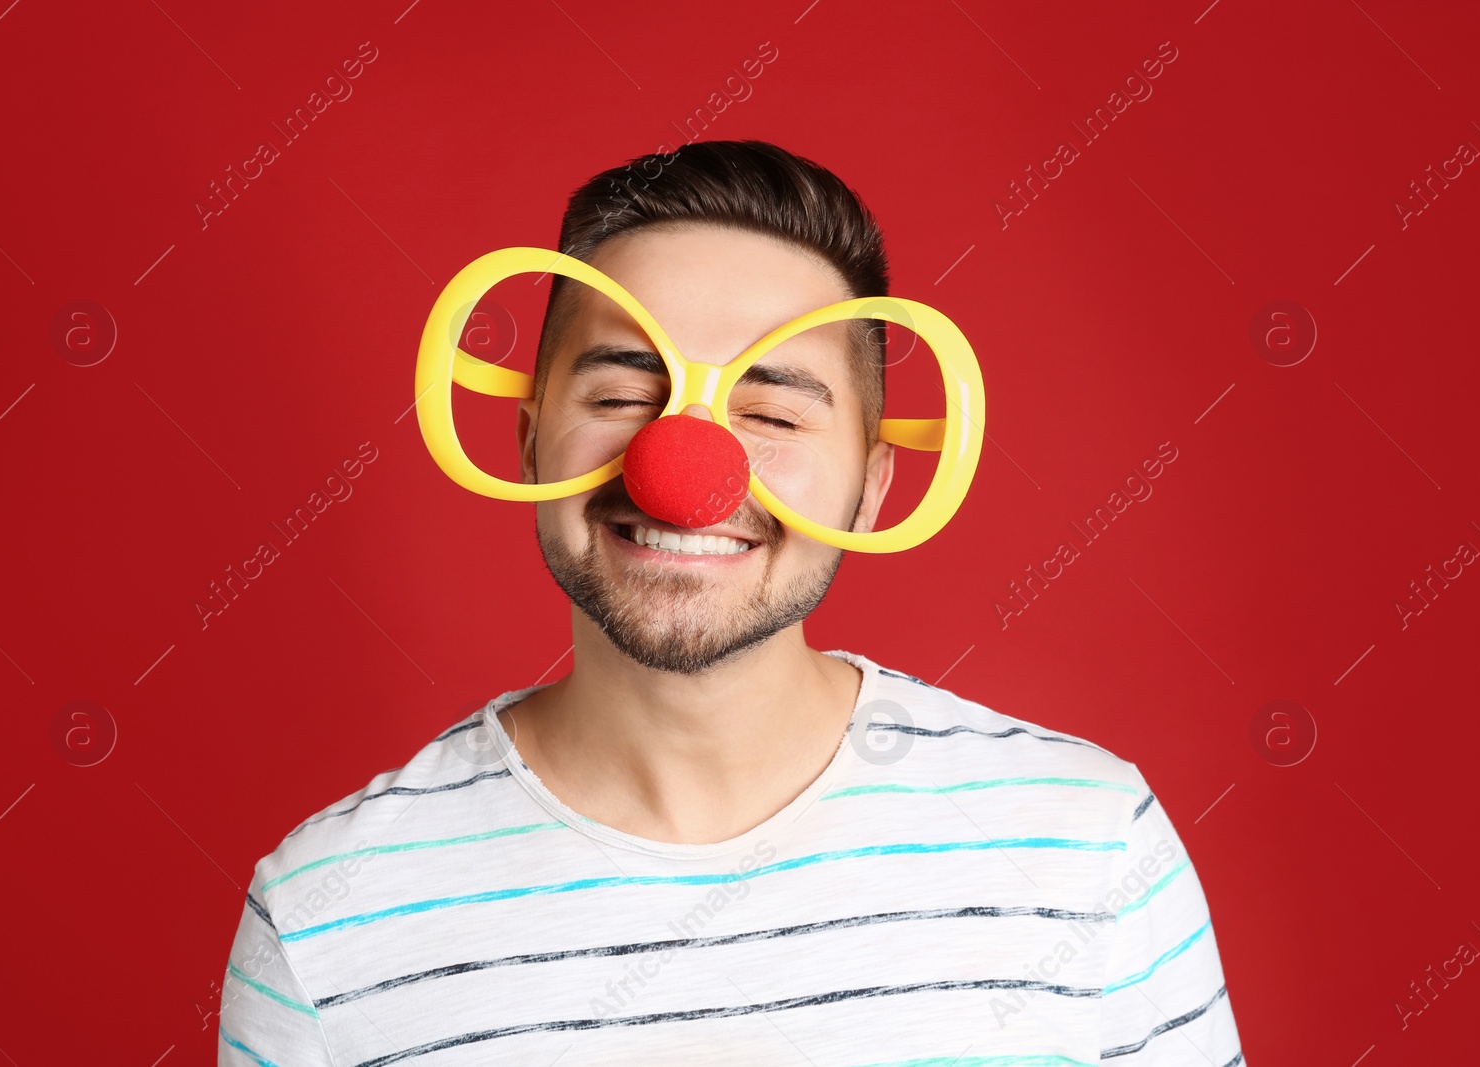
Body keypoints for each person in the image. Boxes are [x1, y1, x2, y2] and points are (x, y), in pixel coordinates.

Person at [217, 140, 1244, 1066]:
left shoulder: (1089, 845)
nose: (684, 468)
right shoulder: (325, 914)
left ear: (873, 483)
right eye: (623, 396)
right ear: (527, 437)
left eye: (772, 411)